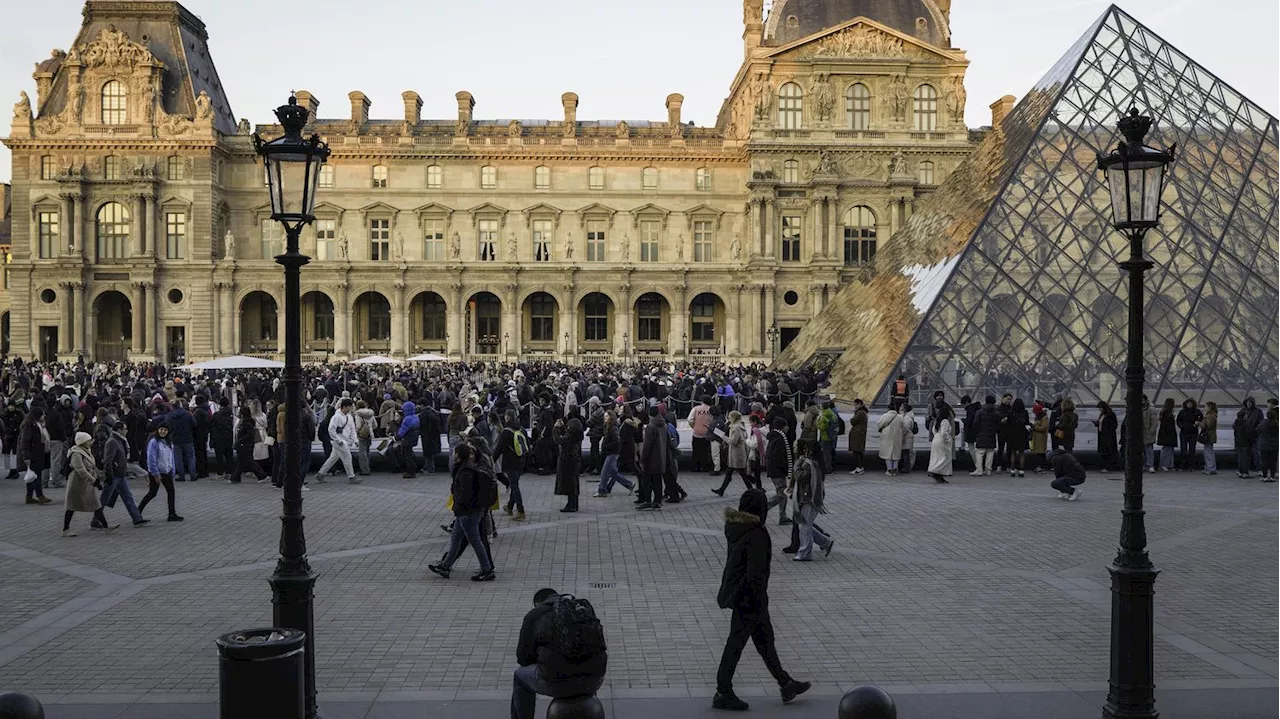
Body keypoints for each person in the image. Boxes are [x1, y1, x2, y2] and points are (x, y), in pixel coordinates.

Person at [713, 488, 811, 711]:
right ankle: (723, 691)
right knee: (736, 644)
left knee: (765, 641)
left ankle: (785, 683)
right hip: (749, 598)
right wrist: (758, 602)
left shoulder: (737, 527)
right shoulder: (756, 533)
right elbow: (756, 573)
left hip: (743, 595)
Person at [510, 588, 607, 719]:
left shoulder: (535, 615)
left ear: (538, 603)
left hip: (556, 683)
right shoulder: (581, 609)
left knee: (519, 676)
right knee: (586, 666)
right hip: (595, 680)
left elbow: (523, 658)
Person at [428, 442, 496, 581]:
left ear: (458, 455)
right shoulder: (464, 468)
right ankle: (446, 566)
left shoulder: (466, 471)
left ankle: (487, 569)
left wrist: (460, 506)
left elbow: (465, 493)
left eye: (455, 452)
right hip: (464, 512)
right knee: (455, 538)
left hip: (467, 512)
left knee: (475, 541)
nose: (453, 454)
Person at [97, 416, 146, 527]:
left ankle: (136, 518)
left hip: (120, 474)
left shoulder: (120, 440)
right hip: (114, 475)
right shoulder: (113, 442)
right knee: (104, 498)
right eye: (125, 429)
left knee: (128, 497)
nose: (126, 431)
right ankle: (95, 521)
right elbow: (108, 459)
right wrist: (109, 474)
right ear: (119, 430)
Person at [62, 431, 114, 536]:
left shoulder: (87, 451)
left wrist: (101, 476)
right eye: (88, 440)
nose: (90, 442)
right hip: (77, 483)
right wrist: (94, 481)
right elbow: (81, 470)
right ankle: (65, 529)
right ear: (82, 442)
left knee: (96, 503)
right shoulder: (76, 453)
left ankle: (105, 526)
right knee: (71, 506)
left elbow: (93, 467)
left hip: (88, 483)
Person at [789, 441, 833, 561]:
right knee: (804, 525)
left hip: (808, 498)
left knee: (804, 526)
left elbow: (799, 476)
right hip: (807, 497)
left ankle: (805, 552)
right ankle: (825, 542)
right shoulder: (812, 462)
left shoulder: (810, 464)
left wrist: (797, 464)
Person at [140, 422, 182, 522]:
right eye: (161, 429)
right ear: (158, 430)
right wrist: (155, 474)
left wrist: (172, 471)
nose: (163, 431)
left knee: (171, 492)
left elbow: (171, 458)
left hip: (166, 471)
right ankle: (138, 511)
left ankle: (172, 514)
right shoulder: (154, 442)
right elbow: (151, 459)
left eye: (165, 430)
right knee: (152, 493)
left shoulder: (169, 442)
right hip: (156, 472)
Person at [314, 398, 359, 484]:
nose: (351, 409)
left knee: (333, 458)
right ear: (344, 407)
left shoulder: (348, 417)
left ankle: (320, 473)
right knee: (347, 457)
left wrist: (355, 440)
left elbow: (352, 429)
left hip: (342, 440)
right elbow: (331, 429)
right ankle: (351, 476)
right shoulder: (336, 417)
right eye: (350, 407)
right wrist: (337, 439)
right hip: (339, 441)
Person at [497, 410, 529, 519]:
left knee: (514, 486)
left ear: (507, 418)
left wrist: (491, 460)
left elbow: (499, 449)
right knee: (514, 483)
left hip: (511, 462)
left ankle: (520, 510)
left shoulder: (506, 432)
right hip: (521, 461)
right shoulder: (522, 429)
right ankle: (510, 506)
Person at [594, 411, 633, 498]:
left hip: (612, 453)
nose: (605, 418)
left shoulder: (613, 428)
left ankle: (602, 490)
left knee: (604, 473)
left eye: (607, 416)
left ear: (611, 417)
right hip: (610, 452)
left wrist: (606, 446)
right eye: (604, 416)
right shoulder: (607, 427)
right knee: (613, 472)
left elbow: (616, 441)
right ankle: (629, 484)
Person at [714, 411, 753, 496]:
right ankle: (721, 490)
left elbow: (733, 441)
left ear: (734, 418)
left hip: (736, 454)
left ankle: (752, 490)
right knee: (730, 472)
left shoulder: (736, 428)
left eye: (730, 417)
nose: (729, 419)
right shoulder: (740, 426)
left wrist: (723, 436)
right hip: (738, 453)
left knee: (742, 473)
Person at [18, 406, 51, 505]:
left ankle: (29, 496)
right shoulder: (30, 425)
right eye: (42, 414)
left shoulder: (38, 424)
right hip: (33, 453)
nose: (44, 416)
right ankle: (40, 496)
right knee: (36, 475)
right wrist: (26, 456)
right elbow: (25, 441)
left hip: (38, 453)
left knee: (32, 475)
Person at [763, 417, 793, 526]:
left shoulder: (775, 437)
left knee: (783, 494)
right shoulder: (779, 439)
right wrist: (785, 468)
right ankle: (762, 508)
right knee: (781, 494)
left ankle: (783, 516)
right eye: (786, 426)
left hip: (775, 470)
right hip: (777, 471)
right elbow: (778, 457)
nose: (788, 428)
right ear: (782, 427)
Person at [554, 407, 584, 512]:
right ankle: (573, 504)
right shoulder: (576, 436)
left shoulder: (570, 438)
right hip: (574, 460)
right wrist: (562, 427)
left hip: (567, 461)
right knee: (574, 483)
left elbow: (559, 440)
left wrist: (556, 429)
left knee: (569, 483)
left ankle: (571, 505)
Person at [230, 405, 270, 484]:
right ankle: (235, 477)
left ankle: (262, 475)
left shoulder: (246, 422)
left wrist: (240, 440)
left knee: (247, 461)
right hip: (245, 444)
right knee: (240, 461)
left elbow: (249, 434)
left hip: (245, 445)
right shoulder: (247, 421)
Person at [637, 409, 667, 511]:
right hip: (661, 457)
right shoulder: (664, 425)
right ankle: (658, 501)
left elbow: (647, 445)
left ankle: (647, 500)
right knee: (657, 480)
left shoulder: (650, 427)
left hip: (651, 458)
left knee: (646, 480)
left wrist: (642, 458)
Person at [166, 400, 198, 484]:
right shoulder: (187, 414)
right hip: (188, 438)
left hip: (176, 439)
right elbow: (194, 424)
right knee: (190, 457)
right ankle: (193, 475)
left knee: (178, 458)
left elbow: (167, 427)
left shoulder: (170, 415)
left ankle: (181, 475)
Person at [969, 396, 1000, 476]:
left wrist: (978, 431)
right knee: (990, 452)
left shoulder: (980, 411)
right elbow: (998, 424)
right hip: (992, 435)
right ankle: (988, 470)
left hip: (981, 434)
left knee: (979, 453)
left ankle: (979, 470)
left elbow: (975, 423)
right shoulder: (996, 412)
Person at [927, 400, 955, 484]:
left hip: (936, 439)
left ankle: (935, 472)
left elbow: (933, 430)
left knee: (936, 458)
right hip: (942, 441)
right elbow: (944, 433)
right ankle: (936, 472)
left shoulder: (938, 420)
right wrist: (948, 439)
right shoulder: (945, 421)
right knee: (944, 458)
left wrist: (937, 436)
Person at [1175, 399, 1203, 471]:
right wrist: (1181, 426)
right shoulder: (1182, 412)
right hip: (1184, 433)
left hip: (1193, 433)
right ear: (1185, 404)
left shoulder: (1197, 412)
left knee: (1192, 450)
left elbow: (1202, 418)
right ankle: (1182, 466)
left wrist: (1197, 423)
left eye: (1191, 403)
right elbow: (1178, 421)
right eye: (1188, 403)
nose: (1189, 405)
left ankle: (1192, 466)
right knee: (1183, 450)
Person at [396, 401, 420, 479]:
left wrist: (397, 436)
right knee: (410, 455)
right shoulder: (416, 417)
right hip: (414, 438)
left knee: (407, 456)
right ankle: (413, 470)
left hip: (407, 440)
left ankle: (410, 472)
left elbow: (402, 432)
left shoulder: (407, 419)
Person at [876, 404, 903, 476]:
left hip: (887, 436)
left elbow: (879, 424)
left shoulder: (885, 416)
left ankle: (889, 470)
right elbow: (903, 426)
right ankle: (895, 469)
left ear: (888, 409)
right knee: (896, 454)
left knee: (887, 453)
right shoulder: (900, 417)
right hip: (897, 437)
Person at [1094, 402, 1119, 475]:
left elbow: (1114, 425)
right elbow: (1100, 422)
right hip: (1102, 435)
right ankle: (1105, 466)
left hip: (1108, 436)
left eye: (1100, 408)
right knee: (1103, 452)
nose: (1099, 410)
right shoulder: (1102, 414)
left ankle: (1108, 466)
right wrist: (1097, 424)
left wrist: (1108, 430)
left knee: (1108, 451)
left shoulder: (1110, 414)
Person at [353, 400, 376, 477]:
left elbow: (358, 426)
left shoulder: (357, 414)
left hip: (361, 435)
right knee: (367, 451)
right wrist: (369, 429)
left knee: (362, 453)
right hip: (369, 434)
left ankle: (365, 469)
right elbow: (375, 425)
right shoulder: (371, 413)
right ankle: (368, 466)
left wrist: (356, 433)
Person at [1257, 408, 1279, 483]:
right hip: (1274, 445)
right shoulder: (1276, 423)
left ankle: (1265, 476)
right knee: (1273, 461)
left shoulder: (1263, 423)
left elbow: (1257, 430)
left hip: (1264, 445)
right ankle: (1272, 476)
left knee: (1264, 461)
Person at [847, 398, 868, 475]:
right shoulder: (863, 412)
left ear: (859, 404)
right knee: (858, 451)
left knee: (857, 452)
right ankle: (859, 467)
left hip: (858, 434)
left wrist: (854, 415)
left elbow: (853, 421)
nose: (855, 406)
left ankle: (858, 467)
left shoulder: (860, 413)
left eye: (855, 405)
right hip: (860, 434)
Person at [1156, 398, 1177, 472]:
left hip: (1166, 433)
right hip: (1168, 433)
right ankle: (1164, 465)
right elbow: (1167, 424)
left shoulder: (1165, 412)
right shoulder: (1167, 412)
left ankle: (1168, 465)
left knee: (1168, 449)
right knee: (1167, 449)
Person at [1200, 402, 1218, 476]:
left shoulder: (1210, 415)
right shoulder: (1212, 414)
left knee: (1208, 453)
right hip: (1211, 435)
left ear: (1209, 407)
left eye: (1206, 406)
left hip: (1208, 436)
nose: (1205, 408)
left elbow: (1207, 426)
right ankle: (1209, 467)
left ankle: (1210, 468)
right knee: (1209, 451)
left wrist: (1199, 423)